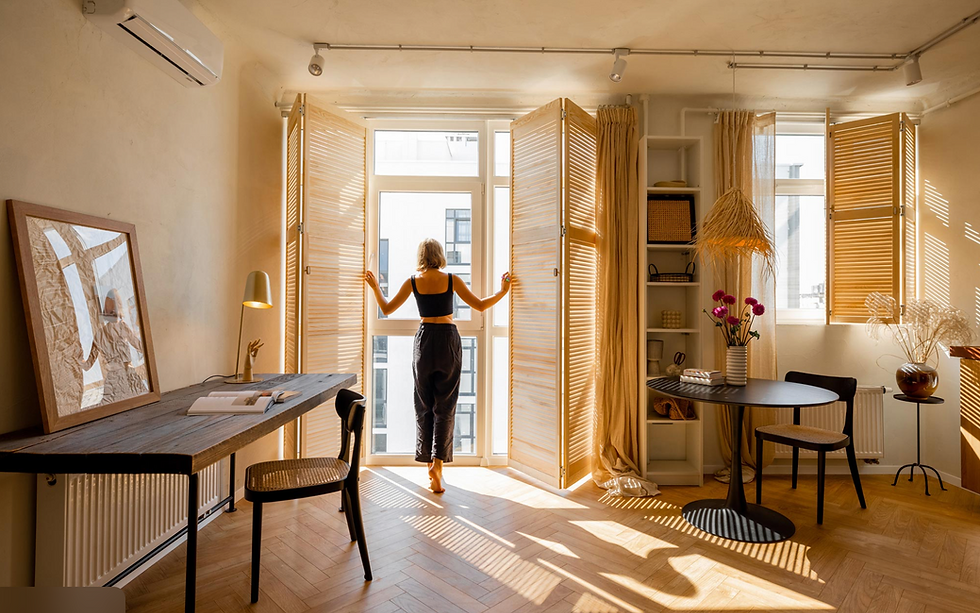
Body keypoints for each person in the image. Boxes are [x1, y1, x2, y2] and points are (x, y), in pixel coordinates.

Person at [366, 238, 511, 493]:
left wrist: (376, 286)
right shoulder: (451, 279)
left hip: (424, 341)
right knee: (445, 405)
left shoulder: (413, 281)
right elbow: (478, 305)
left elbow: (387, 308)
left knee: (424, 404)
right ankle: (438, 464)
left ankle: (428, 466)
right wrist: (502, 291)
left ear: (421, 255)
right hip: (447, 340)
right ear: (440, 255)